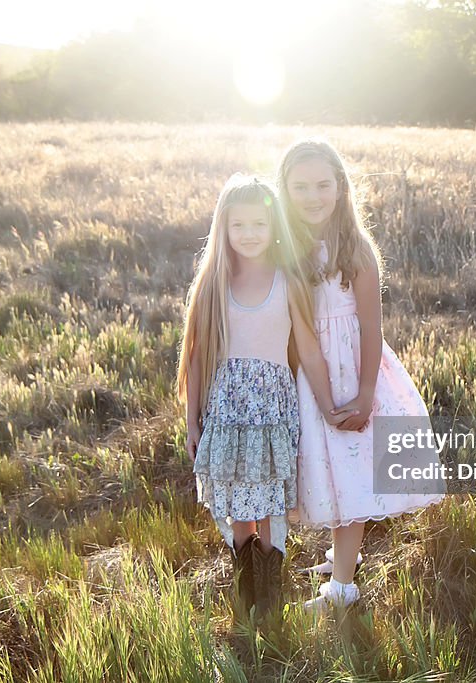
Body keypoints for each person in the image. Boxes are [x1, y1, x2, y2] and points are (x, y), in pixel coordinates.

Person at [276, 139, 446, 613]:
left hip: (357, 371)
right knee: (330, 469)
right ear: (285, 190)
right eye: (301, 186)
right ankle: (340, 556)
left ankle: (343, 591)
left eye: (323, 185)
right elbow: (306, 337)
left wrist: (365, 392)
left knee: (350, 473)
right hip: (316, 378)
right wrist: (323, 395)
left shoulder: (356, 251)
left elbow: (372, 326)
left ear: (341, 187)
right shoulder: (286, 253)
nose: (313, 196)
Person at [176, 173, 351, 621]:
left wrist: (329, 403)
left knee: (271, 500)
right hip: (229, 411)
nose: (249, 234)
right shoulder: (213, 283)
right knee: (238, 501)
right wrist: (193, 422)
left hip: (273, 409)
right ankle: (245, 586)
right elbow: (195, 358)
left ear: (274, 226)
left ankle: (270, 596)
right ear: (224, 229)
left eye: (259, 224)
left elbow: (309, 348)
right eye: (239, 226)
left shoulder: (287, 280)